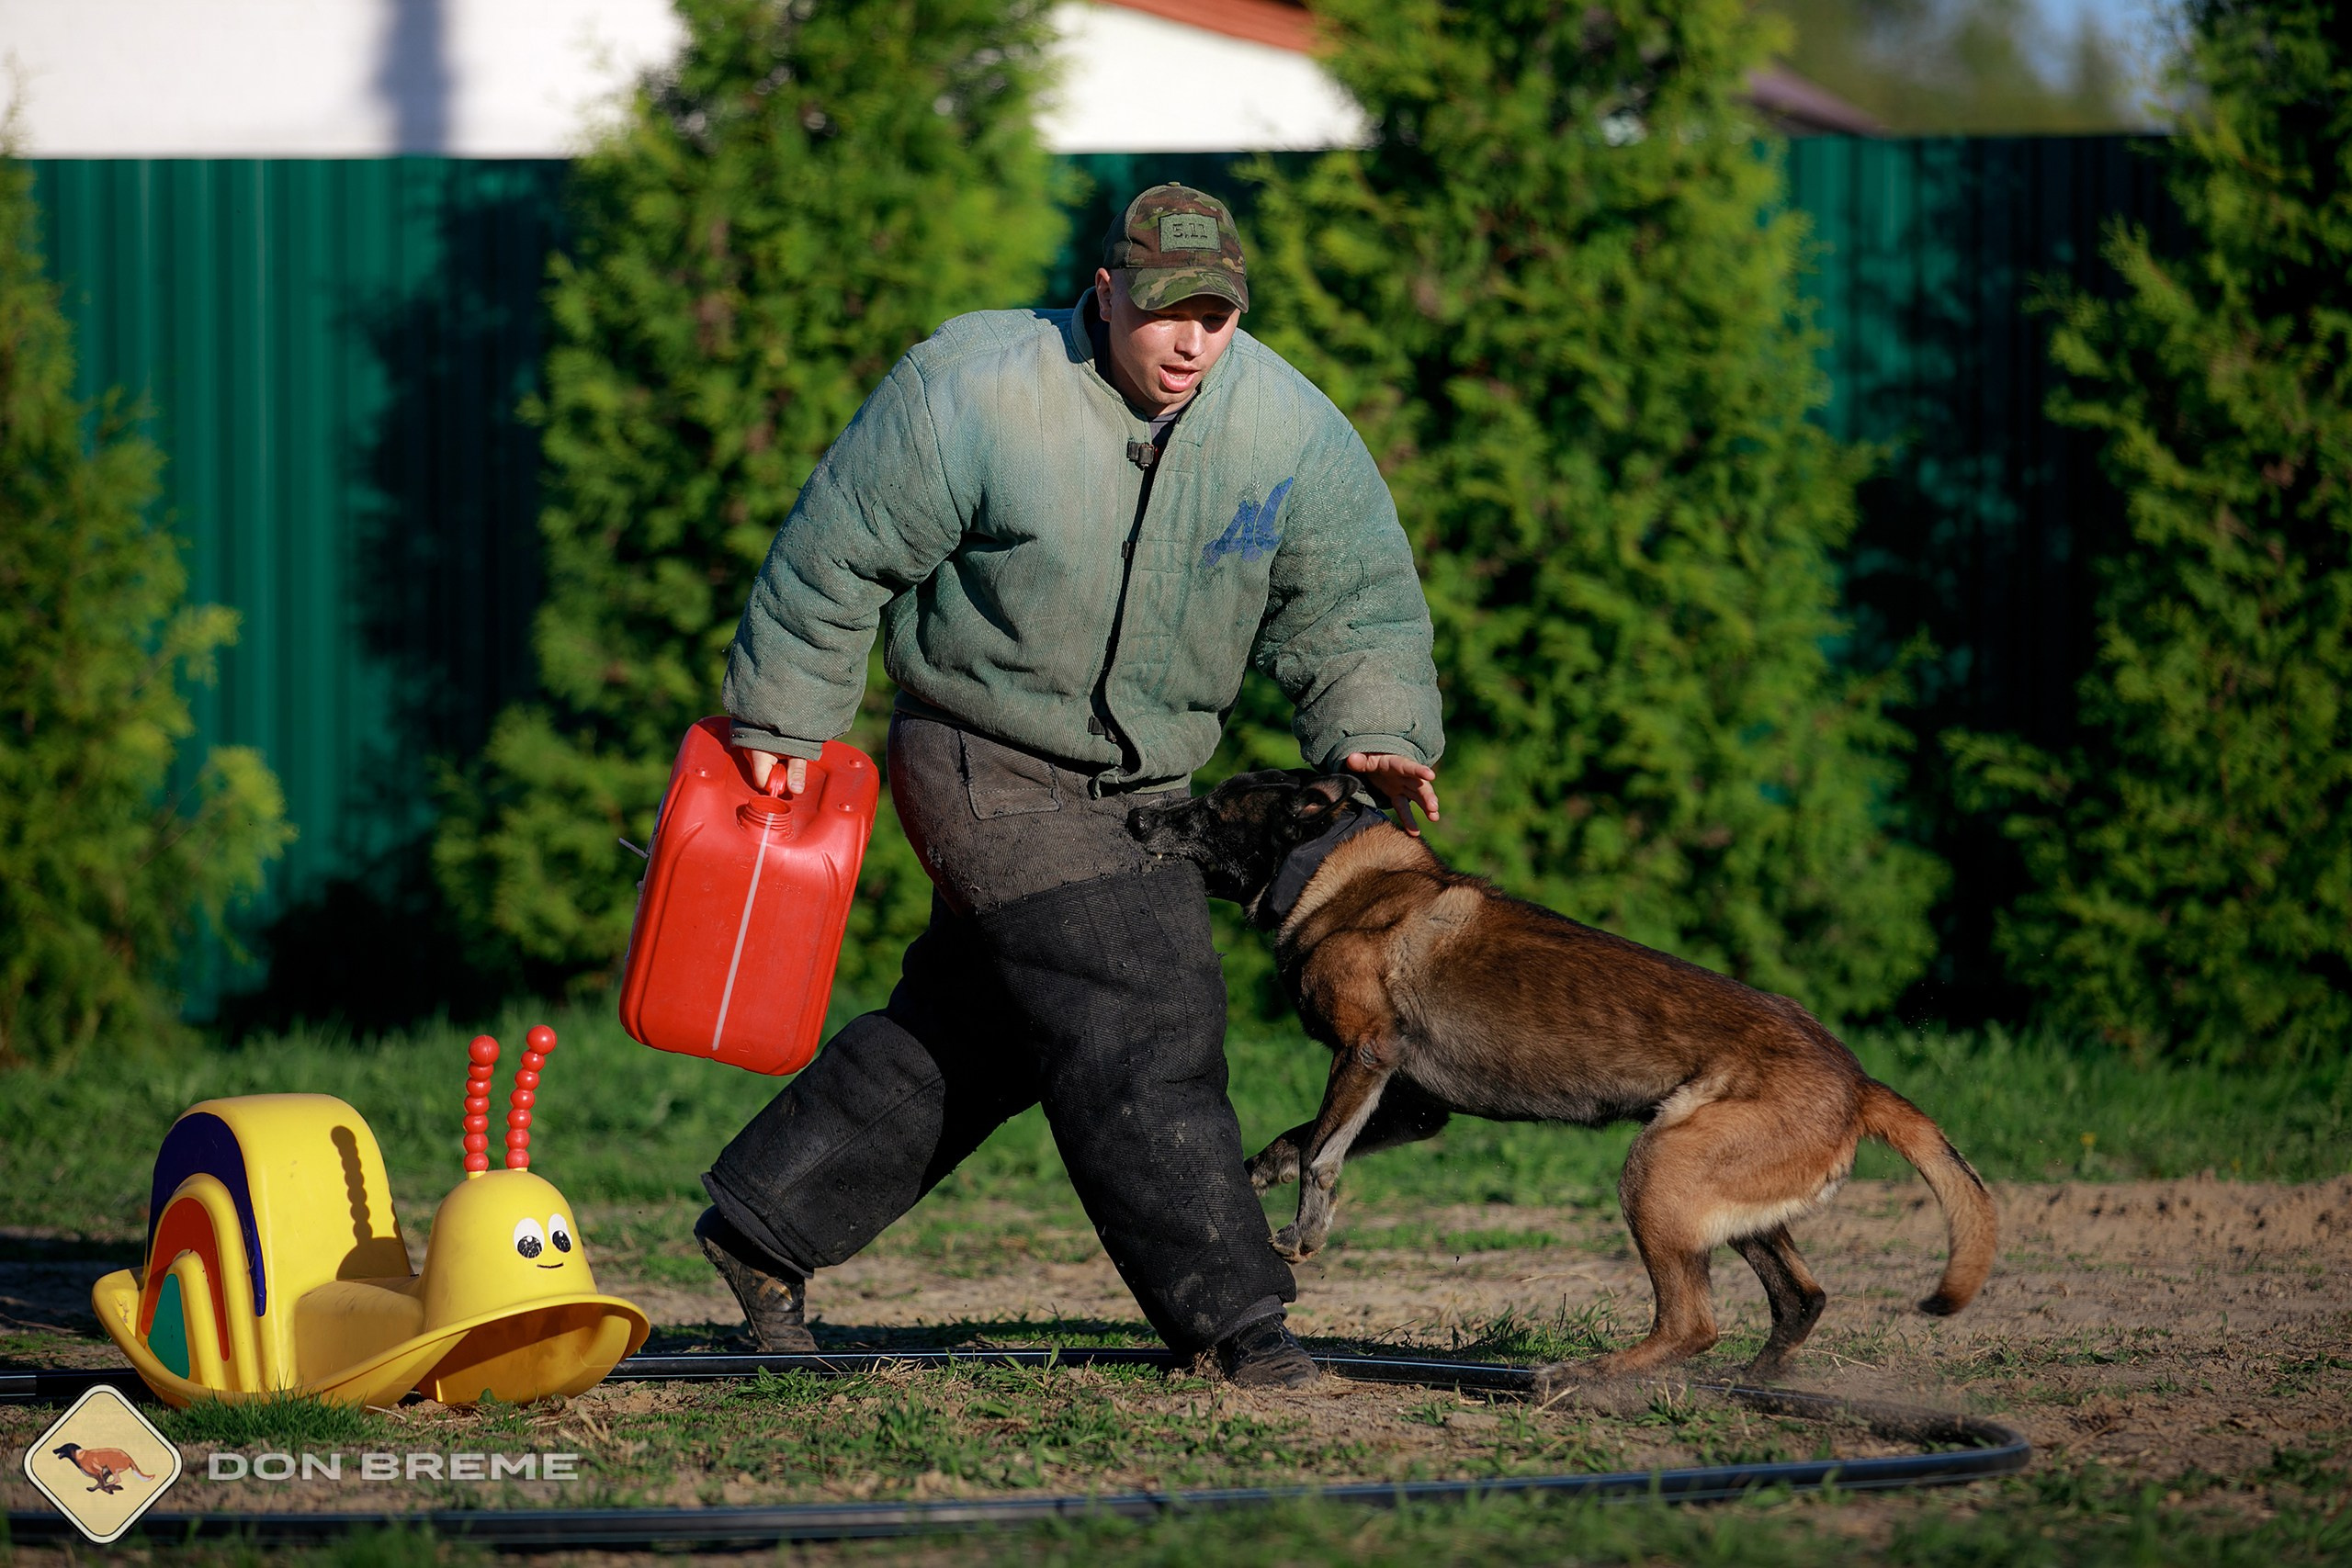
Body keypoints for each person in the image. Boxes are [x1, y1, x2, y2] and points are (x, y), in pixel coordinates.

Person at [694, 185, 1443, 1386]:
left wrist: (1375, 729)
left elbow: (1356, 601)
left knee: (988, 1030)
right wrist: (785, 713)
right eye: (1163, 311)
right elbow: (835, 552)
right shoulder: (975, 390)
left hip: (1146, 786)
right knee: (1142, 999)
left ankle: (764, 1225)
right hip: (977, 752)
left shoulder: (1289, 431)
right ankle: (1237, 1322)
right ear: (1105, 294)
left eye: (1216, 315)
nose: (1189, 341)